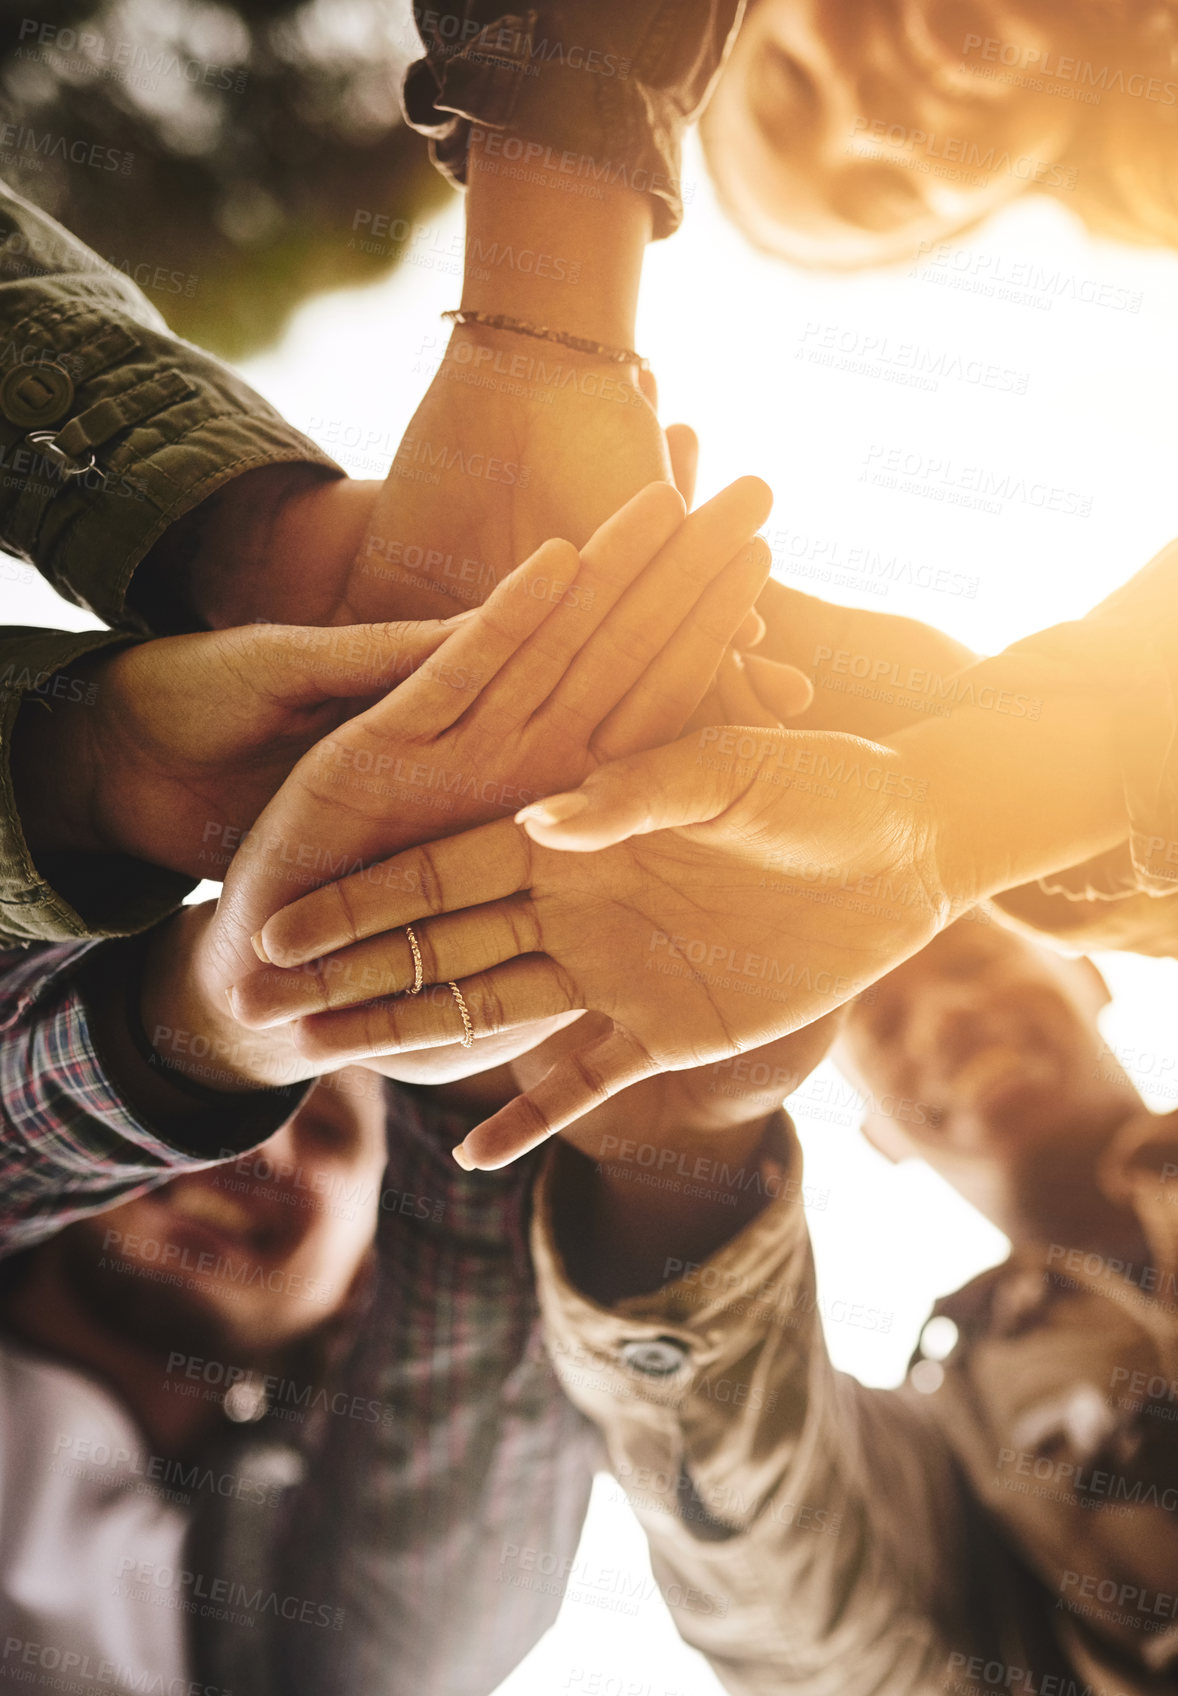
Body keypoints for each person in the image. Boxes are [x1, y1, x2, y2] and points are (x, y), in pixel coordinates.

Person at [528, 916, 1178, 1694]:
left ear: (1091, 974)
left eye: (976, 957)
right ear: (879, 1132)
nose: (948, 1016)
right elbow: (813, 1628)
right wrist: (681, 1169)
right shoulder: (961, 1441)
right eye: (882, 1020)